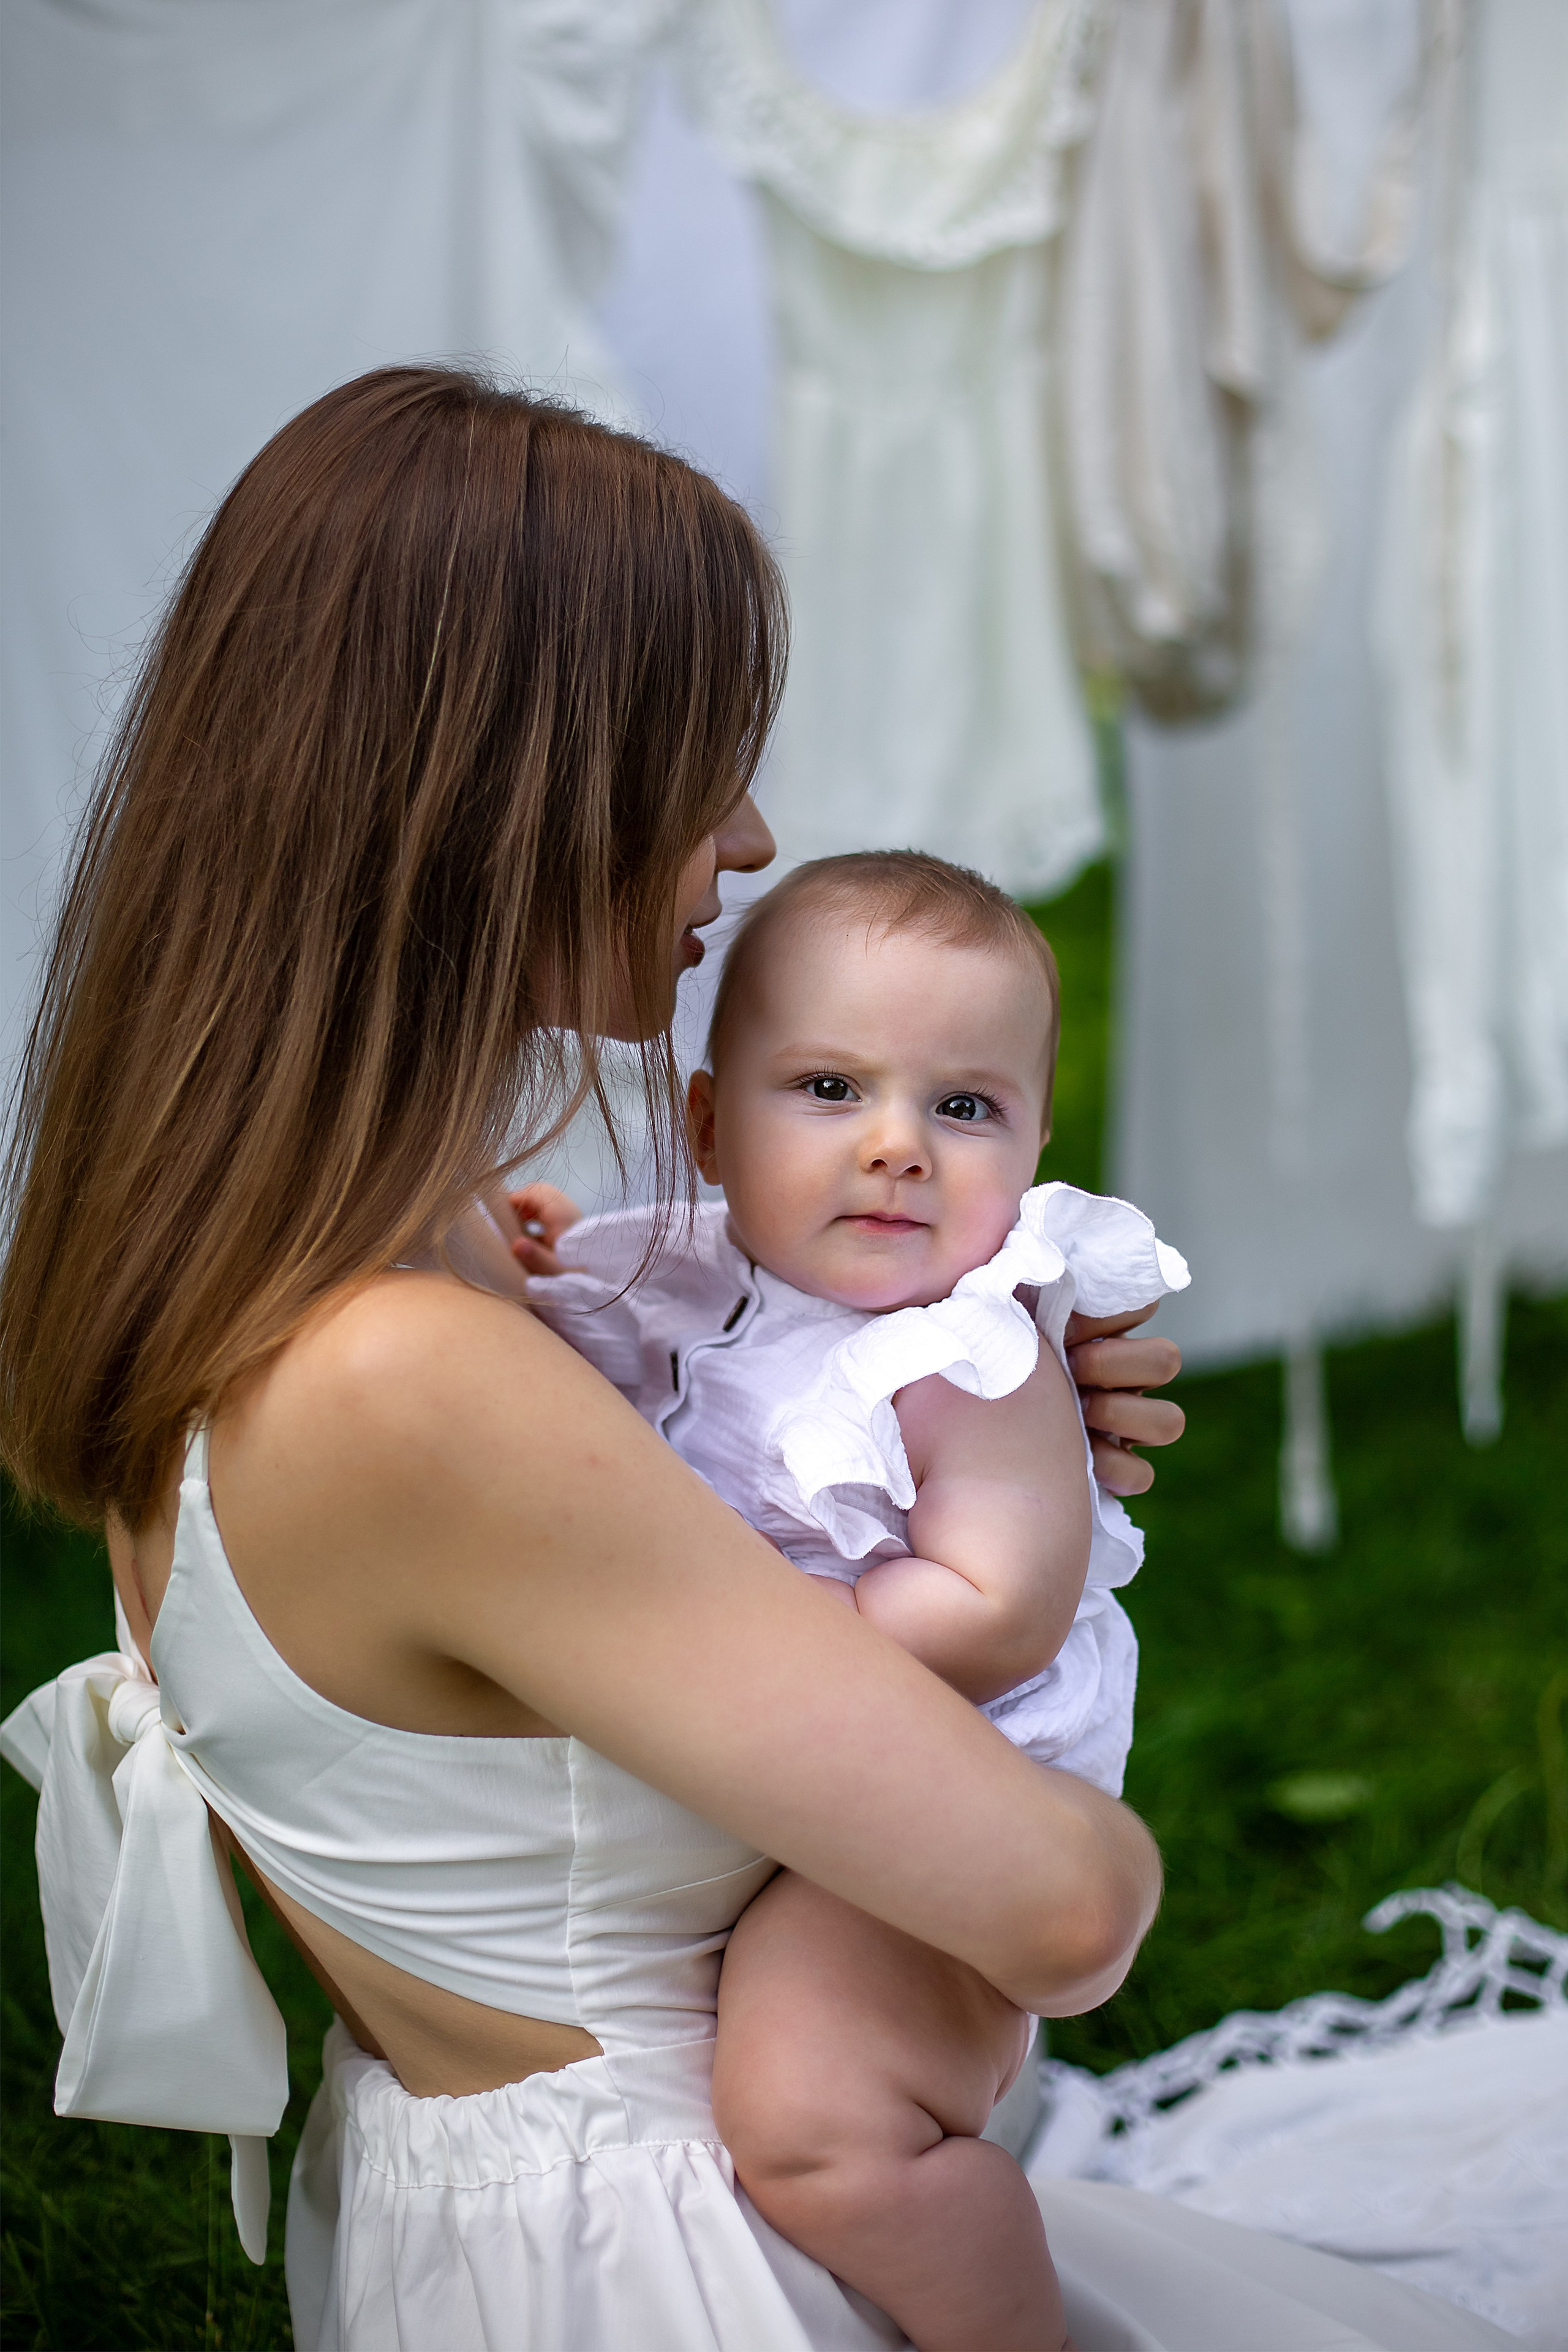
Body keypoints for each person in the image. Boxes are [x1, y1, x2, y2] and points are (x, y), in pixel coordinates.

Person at [0, 366, 1510, 2352]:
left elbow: (563, 1598)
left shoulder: (367, 1248)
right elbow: (1067, 1906)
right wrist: (994, 1628)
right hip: (684, 2258)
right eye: (700, 760)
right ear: (512, 798)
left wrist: (933, 1426)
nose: (749, 829)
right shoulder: (401, 1377)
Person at [516, 847, 1190, 2352]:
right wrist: (518, 1274)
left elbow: (998, 1604)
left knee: (814, 2121)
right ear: (704, 1125)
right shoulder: (685, 1284)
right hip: (784, 1752)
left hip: (952, 1785)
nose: (896, 1146)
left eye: (962, 1107)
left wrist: (747, 1648)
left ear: (1028, 1149)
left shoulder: (969, 1349)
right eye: (827, 1088)